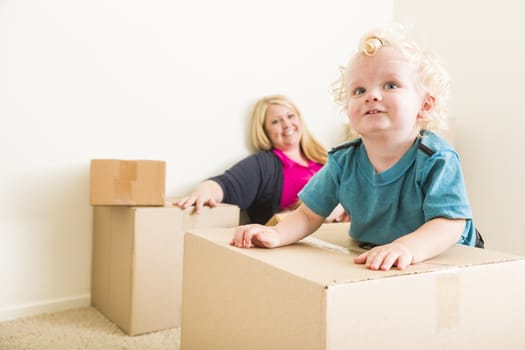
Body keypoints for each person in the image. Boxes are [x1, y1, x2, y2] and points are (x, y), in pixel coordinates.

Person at [231, 25, 482, 271]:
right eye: (359, 90)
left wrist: (406, 248)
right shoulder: (344, 161)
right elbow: (308, 215)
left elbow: (449, 223)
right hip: (376, 251)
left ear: (425, 106)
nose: (371, 95)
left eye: (391, 85)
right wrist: (276, 234)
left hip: (448, 252)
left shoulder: (436, 158)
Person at [174, 94, 348, 224]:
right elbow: (224, 185)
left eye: (290, 116)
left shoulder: (328, 159)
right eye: (275, 122)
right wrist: (204, 192)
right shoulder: (263, 166)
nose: (286, 124)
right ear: (264, 131)